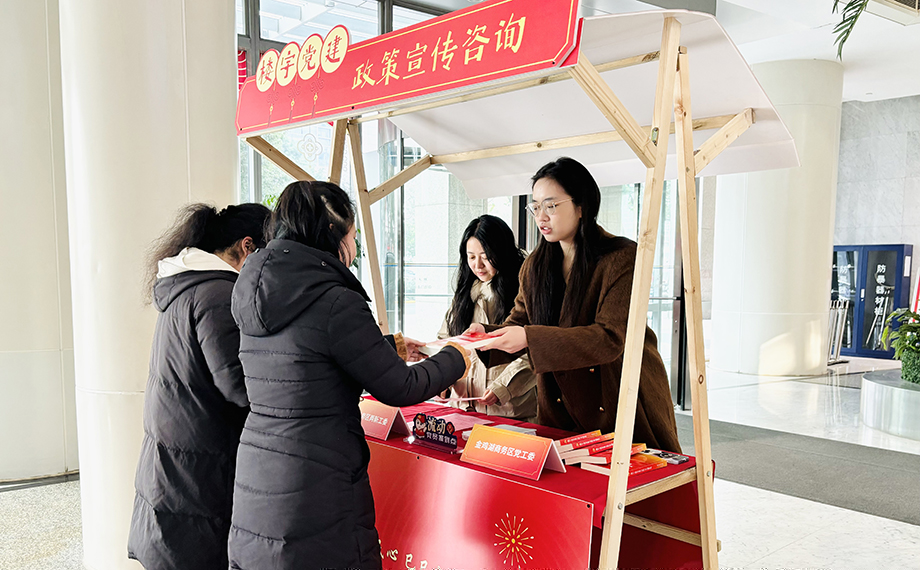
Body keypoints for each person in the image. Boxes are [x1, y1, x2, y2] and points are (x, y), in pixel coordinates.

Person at [227, 181, 471, 569]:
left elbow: (304, 356)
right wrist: (457, 356)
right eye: (353, 235)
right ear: (333, 234)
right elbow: (402, 386)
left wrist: (389, 347)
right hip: (318, 481)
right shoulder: (335, 298)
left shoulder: (254, 291)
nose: (354, 247)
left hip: (259, 473)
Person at [472, 157, 681, 453]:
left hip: (620, 395)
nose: (541, 217)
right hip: (560, 405)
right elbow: (520, 322)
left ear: (581, 206)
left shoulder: (622, 257)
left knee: (637, 477)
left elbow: (609, 338)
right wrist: (484, 336)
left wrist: (529, 337)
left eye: (551, 206)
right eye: (535, 207)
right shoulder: (535, 265)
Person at [128, 202, 271, 570]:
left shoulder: (186, 285)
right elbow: (239, 385)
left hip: (176, 469)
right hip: (197, 476)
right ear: (248, 247)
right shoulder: (218, 294)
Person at [437, 215, 537, 421]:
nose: (478, 265)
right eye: (471, 257)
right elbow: (445, 341)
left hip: (511, 412)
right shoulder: (464, 295)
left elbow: (537, 350)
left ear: (502, 253)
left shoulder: (525, 292)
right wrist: (440, 379)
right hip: (463, 409)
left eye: (486, 256)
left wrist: (504, 387)